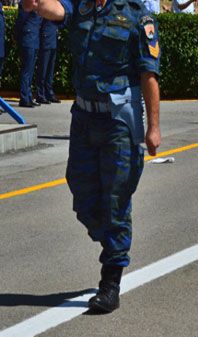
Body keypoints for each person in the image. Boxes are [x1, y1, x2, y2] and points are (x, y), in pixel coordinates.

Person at [23, 0, 162, 313]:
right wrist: (36, 5)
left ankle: (110, 281)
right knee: (82, 195)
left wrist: (153, 128)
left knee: (116, 198)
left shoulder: (136, 15)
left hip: (118, 122)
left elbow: (149, 75)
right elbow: (55, 9)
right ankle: (113, 240)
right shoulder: (81, 7)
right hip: (84, 117)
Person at [15, 2, 42, 108]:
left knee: (30, 71)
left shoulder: (36, 3)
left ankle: (29, 96)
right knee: (26, 71)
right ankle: (24, 98)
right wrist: (17, 36)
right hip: (28, 39)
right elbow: (20, 21)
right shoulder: (26, 3)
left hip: (34, 40)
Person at [36, 20, 59, 105]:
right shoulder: (45, 9)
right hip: (46, 39)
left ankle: (49, 92)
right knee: (43, 69)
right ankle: (40, 94)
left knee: (50, 70)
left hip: (53, 40)